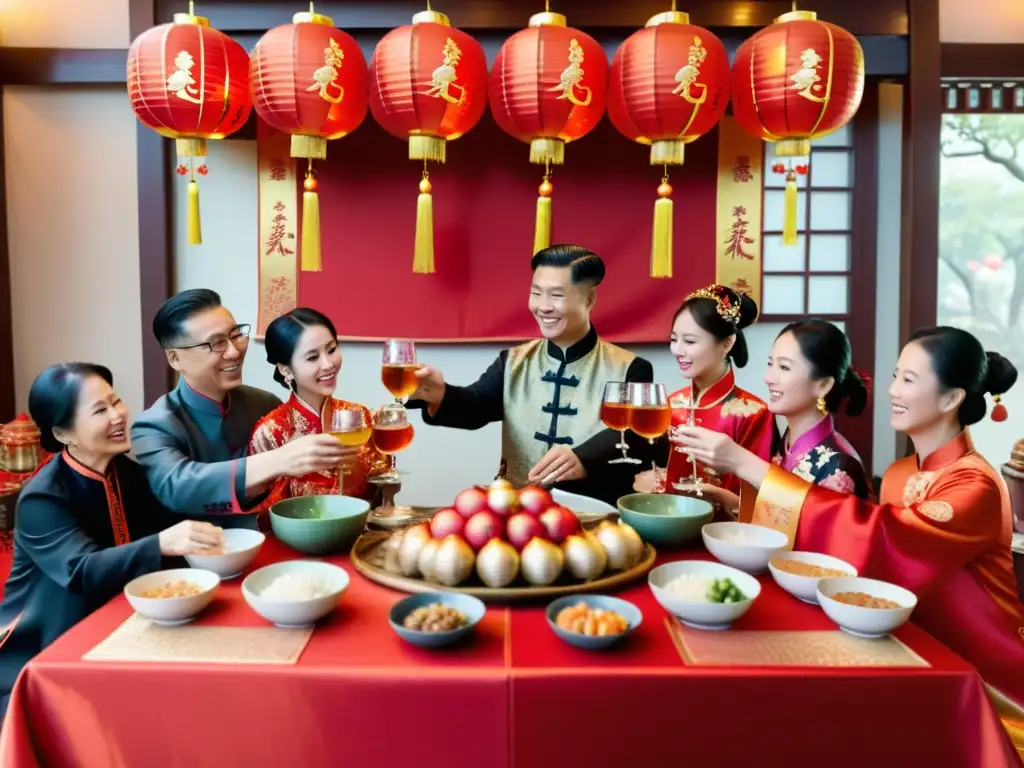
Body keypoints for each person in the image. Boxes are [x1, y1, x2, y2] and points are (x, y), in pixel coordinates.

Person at [678, 326, 1024, 755]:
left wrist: (747, 465)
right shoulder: (901, 472)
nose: (893, 390)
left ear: (952, 399)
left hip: (980, 674)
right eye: (896, 375)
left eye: (910, 380)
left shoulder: (976, 485)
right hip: (909, 648)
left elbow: (887, 541)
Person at [0, 364, 225, 716]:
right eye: (100, 410)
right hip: (45, 655)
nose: (119, 415)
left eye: (116, 401)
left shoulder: (129, 474)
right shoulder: (42, 497)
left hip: (125, 631)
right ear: (63, 433)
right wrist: (162, 543)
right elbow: (81, 570)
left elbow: (180, 535)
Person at [407, 244, 654, 504]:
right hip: (517, 509)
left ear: (589, 299)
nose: (543, 306)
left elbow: (639, 435)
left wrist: (585, 456)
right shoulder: (513, 361)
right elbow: (476, 405)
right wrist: (441, 394)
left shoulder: (629, 367)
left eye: (556, 296)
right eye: (536, 293)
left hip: (595, 511)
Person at [131, 289, 347, 529]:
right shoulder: (153, 426)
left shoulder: (263, 403)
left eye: (236, 335)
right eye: (216, 343)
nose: (234, 352)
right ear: (175, 358)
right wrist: (280, 460)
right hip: (200, 559)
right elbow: (177, 486)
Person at [672, 319, 872, 508]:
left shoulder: (840, 466)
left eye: (784, 367)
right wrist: (723, 497)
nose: (769, 378)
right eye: (770, 364)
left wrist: (739, 460)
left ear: (823, 385)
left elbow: (819, 535)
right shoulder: (787, 444)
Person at [634, 284, 776, 517]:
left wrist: (716, 494)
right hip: (668, 526)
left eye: (689, 342)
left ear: (726, 344)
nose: (677, 350)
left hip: (726, 537)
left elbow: (762, 501)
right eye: (673, 339)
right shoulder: (670, 404)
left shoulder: (753, 412)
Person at [249, 308, 388, 512]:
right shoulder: (270, 432)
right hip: (293, 540)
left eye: (331, 350)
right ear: (286, 370)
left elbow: (378, 491)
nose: (328, 364)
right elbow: (260, 510)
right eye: (313, 357)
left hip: (359, 537)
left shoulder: (358, 416)